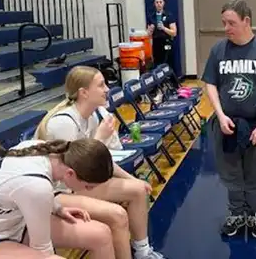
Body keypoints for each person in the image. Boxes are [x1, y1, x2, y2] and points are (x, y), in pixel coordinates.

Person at [34, 65, 166, 259]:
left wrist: (132, 179)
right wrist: (99, 138)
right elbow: (76, 169)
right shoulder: (63, 123)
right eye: (101, 85)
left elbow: (103, 162)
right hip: (58, 191)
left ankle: (143, 251)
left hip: (80, 184)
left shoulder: (97, 115)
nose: (107, 89)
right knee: (117, 215)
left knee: (138, 189)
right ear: (84, 92)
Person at [202, 0, 256, 239]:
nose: (226, 28)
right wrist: (220, 114)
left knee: (255, 173)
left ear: (246, 21)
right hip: (227, 124)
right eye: (224, 23)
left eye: (231, 23)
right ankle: (236, 213)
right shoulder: (218, 50)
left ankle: (253, 213)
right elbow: (210, 84)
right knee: (231, 172)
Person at [0, 138, 116, 259]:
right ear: (70, 173)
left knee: (101, 235)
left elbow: (23, 193)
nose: (88, 191)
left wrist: (57, 208)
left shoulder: (46, 151)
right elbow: (42, 249)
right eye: (88, 186)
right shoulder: (36, 185)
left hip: (15, 222)